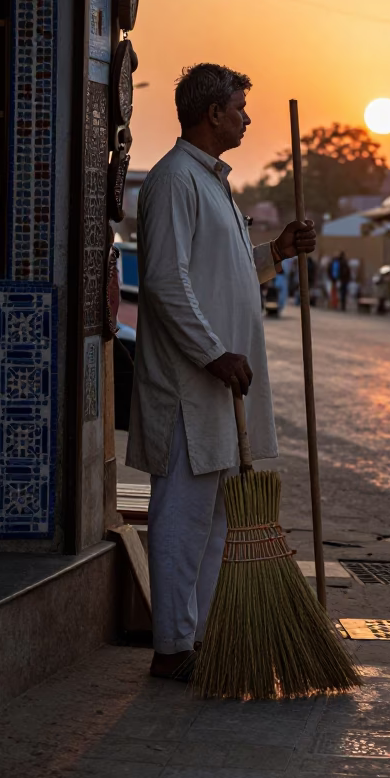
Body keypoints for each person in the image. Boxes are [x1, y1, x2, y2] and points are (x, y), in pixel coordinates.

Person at [126, 63, 316, 682]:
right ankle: (172, 646)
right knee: (180, 515)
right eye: (239, 107)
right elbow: (164, 282)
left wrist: (278, 252)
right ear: (212, 113)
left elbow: (225, 272)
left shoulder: (213, 185)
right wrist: (213, 352)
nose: (247, 117)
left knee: (212, 521)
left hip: (218, 386)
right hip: (188, 385)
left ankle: (202, 638)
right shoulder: (175, 180)